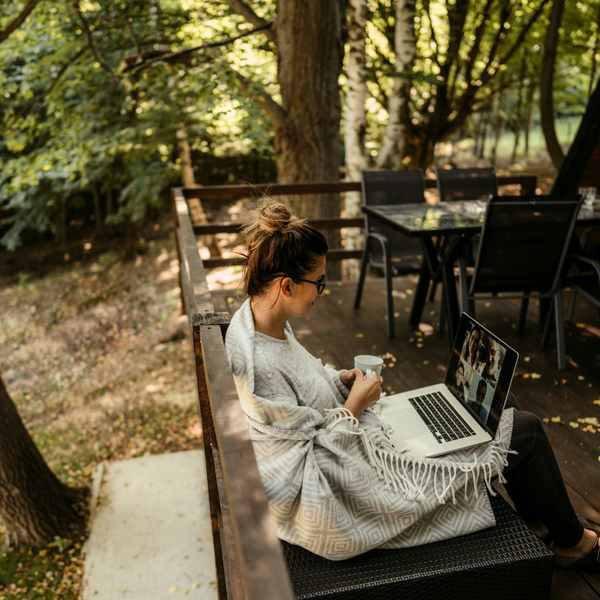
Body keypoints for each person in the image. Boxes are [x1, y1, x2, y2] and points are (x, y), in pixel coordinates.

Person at [225, 199, 599, 569]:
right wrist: (353, 405)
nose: (323, 292)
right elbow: (306, 468)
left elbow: (304, 390)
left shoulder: (265, 323)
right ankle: (573, 543)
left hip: (353, 440)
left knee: (505, 402)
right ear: (286, 286)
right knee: (528, 430)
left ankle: (537, 520)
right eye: (319, 282)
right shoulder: (262, 366)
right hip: (340, 489)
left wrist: (341, 380)